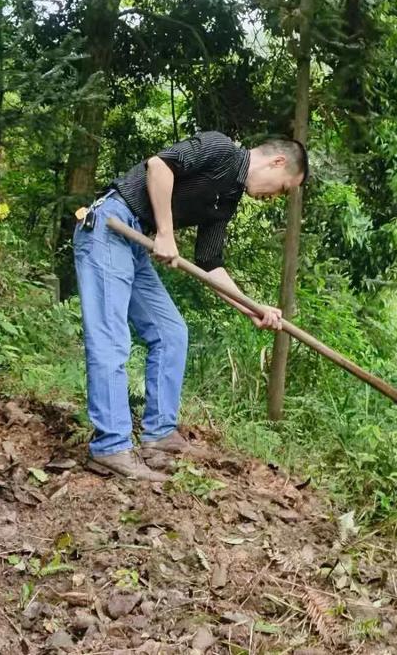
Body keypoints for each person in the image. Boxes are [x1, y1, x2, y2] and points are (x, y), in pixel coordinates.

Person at [73, 131, 308, 482]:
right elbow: (159, 165)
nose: (276, 197)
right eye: (284, 188)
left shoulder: (227, 199)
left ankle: (159, 435)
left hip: (135, 244)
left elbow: (210, 263)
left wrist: (251, 308)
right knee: (111, 337)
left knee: (171, 332)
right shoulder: (220, 148)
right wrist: (166, 234)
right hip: (111, 226)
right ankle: (110, 447)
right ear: (277, 162)